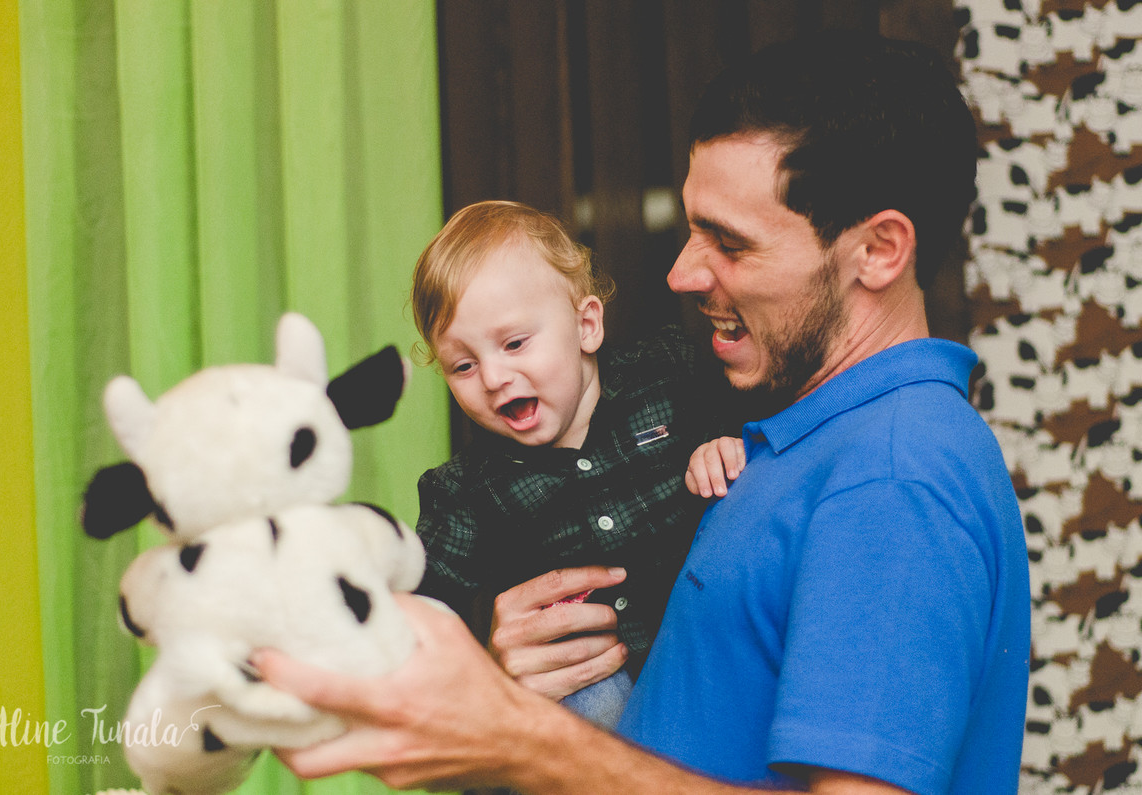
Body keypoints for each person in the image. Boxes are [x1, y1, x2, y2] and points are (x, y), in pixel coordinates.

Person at [254, 31, 1031, 794]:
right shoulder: (796, 434)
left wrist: (529, 743)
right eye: (694, 227)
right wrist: (507, 677)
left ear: (879, 250)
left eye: (730, 242)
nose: (682, 271)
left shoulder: (892, 479)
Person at [408, 199, 742, 729]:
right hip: (587, 683)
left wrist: (726, 441)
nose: (493, 378)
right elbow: (422, 607)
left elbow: (763, 418)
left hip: (701, 659)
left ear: (586, 326)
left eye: (514, 343)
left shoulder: (668, 377)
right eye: (463, 365)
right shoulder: (468, 493)